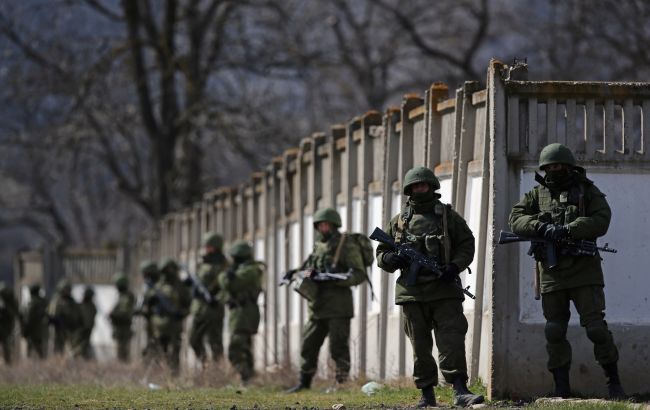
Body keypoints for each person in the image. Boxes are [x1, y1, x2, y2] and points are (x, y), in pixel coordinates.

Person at [508, 143, 624, 399]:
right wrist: (539, 226)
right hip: (552, 272)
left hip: (584, 271)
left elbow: (601, 219)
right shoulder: (537, 195)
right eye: (549, 167)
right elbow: (515, 219)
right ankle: (562, 388)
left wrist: (570, 229)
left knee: (595, 328)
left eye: (558, 166)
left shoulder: (587, 191)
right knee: (554, 330)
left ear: (569, 166)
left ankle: (614, 382)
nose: (553, 170)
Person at [376, 166, 483, 408]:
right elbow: (382, 252)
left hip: (444, 290)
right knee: (420, 346)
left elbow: (467, 243)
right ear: (409, 190)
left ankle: (459, 390)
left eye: (423, 185)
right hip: (411, 293)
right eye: (415, 186)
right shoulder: (400, 221)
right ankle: (426, 394)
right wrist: (392, 259)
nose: (419, 189)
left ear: (432, 186)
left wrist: (454, 267)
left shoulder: (447, 217)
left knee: (451, 340)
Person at [286, 207, 366, 393]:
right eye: (320, 225)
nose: (323, 227)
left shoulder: (346, 244)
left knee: (338, 346)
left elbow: (359, 273)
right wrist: (299, 273)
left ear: (334, 224)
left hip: (339, 306)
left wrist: (338, 278)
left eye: (326, 224)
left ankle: (341, 383)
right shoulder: (318, 246)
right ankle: (304, 382)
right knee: (308, 344)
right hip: (317, 306)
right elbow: (307, 269)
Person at [219, 240, 263, 383]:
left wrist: (227, 276)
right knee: (244, 347)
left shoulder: (250, 270)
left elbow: (231, 285)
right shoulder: (241, 269)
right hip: (238, 313)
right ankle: (248, 379)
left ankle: (245, 375)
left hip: (245, 313)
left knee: (235, 348)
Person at [189, 232, 228, 365]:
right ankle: (204, 362)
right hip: (199, 309)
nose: (206, 249)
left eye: (209, 246)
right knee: (193, 339)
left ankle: (217, 371)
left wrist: (217, 299)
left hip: (214, 310)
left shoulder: (224, 265)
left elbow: (226, 288)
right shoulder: (202, 264)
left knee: (215, 342)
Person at [150, 258, 191, 374]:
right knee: (160, 351)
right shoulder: (158, 286)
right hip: (160, 325)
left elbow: (188, 304)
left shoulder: (180, 287)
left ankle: (173, 375)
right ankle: (158, 375)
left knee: (174, 352)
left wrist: (182, 313)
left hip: (174, 325)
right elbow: (149, 305)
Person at [48, 278, 82, 356]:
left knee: (72, 350)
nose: (67, 291)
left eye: (68, 290)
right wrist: (55, 320)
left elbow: (76, 316)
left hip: (70, 330)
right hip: (58, 329)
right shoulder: (56, 301)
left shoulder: (72, 302)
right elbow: (51, 314)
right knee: (57, 349)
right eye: (66, 290)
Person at [134, 260, 160, 362]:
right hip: (151, 321)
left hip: (157, 322)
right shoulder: (148, 286)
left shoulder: (157, 287)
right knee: (151, 344)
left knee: (155, 345)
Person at [109, 273, 135, 362]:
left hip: (123, 328)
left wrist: (113, 314)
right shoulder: (122, 296)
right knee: (119, 352)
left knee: (122, 353)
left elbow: (125, 312)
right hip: (119, 328)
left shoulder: (127, 297)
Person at [21, 284, 49, 359]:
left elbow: (29, 318)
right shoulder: (44, 302)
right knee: (42, 353)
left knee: (31, 354)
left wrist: (25, 330)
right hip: (42, 331)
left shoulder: (33, 303)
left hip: (33, 332)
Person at [0, 281, 19, 364]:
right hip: (7, 325)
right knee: (7, 343)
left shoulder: (7, 301)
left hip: (6, 325)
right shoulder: (10, 299)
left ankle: (8, 362)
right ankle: (8, 362)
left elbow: (13, 313)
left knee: (7, 344)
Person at [78, 286, 97, 360]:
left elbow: (90, 319)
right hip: (79, 330)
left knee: (85, 345)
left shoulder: (92, 306)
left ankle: (85, 358)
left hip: (87, 329)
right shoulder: (80, 306)